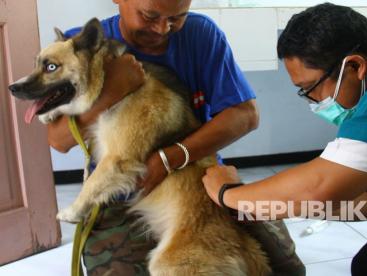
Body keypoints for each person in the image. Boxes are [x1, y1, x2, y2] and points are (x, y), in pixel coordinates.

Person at [203, 3, 367, 275]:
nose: (313, 101)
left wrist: (228, 194)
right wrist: (278, 207)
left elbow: (321, 185)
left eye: (310, 88)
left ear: (354, 66)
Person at [47, 0, 305, 275]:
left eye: (177, 18)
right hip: (116, 188)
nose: (162, 29)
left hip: (197, 178)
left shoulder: (200, 33)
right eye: (149, 15)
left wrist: (172, 157)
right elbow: (59, 140)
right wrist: (114, 91)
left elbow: (245, 115)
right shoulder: (83, 47)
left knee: (286, 268)